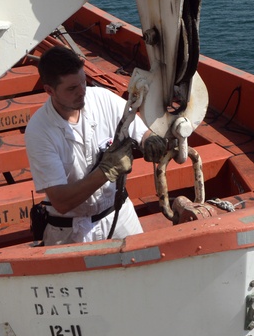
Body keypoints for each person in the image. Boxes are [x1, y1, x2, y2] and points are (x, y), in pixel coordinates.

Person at [25, 46, 165, 245]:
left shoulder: (102, 99)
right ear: (49, 90)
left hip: (118, 215)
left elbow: (141, 132)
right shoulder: (39, 131)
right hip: (69, 230)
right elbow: (61, 202)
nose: (82, 92)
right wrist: (105, 171)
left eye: (83, 82)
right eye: (72, 88)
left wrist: (150, 140)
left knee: (144, 267)